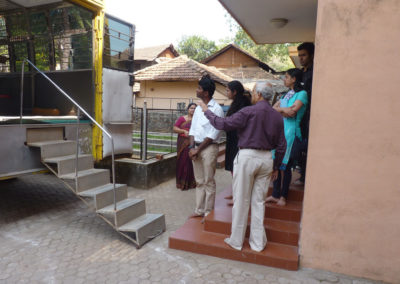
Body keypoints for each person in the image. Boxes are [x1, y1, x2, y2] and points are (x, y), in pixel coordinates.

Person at [197, 82, 286, 252]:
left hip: (247, 157)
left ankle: (236, 241)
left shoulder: (249, 111)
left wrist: (206, 111)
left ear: (259, 94)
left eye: (253, 92)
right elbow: (282, 145)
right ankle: (258, 243)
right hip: (267, 158)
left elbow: (222, 124)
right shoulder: (276, 116)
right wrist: (276, 166)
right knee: (259, 202)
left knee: (241, 200)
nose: (252, 95)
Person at [266, 68, 308, 206]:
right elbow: (273, 110)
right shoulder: (286, 95)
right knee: (277, 163)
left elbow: (293, 113)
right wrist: (284, 110)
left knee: (287, 165)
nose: (284, 79)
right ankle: (275, 194)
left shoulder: (302, 94)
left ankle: (283, 196)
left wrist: (282, 111)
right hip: (281, 132)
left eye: (287, 77)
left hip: (292, 134)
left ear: (294, 79)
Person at [188, 75, 224, 219]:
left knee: (208, 181)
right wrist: (192, 147)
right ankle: (199, 210)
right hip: (196, 147)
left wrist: (198, 149)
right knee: (199, 181)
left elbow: (213, 134)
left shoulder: (217, 109)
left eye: (199, 88)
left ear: (206, 93)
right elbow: (193, 129)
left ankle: (208, 211)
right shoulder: (197, 108)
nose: (196, 90)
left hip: (208, 148)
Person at [296, 42, 314, 185]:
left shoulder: (315, 72)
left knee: (306, 145)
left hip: (311, 115)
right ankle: (302, 173)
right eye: (299, 55)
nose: (301, 58)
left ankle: (305, 177)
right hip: (300, 115)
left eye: (304, 55)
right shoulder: (301, 73)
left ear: (312, 55)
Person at [225, 81, 251, 174]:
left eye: (228, 90)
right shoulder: (236, 104)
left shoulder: (243, 105)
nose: (226, 93)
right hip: (233, 140)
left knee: (238, 169)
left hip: (238, 141)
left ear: (234, 92)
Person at [173, 103, 197, 190]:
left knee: (190, 161)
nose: (193, 110)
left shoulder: (197, 120)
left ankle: (191, 182)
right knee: (182, 160)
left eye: (195, 108)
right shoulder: (182, 118)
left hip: (192, 142)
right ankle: (181, 183)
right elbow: (175, 128)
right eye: (191, 108)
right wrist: (183, 131)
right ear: (188, 109)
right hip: (182, 142)